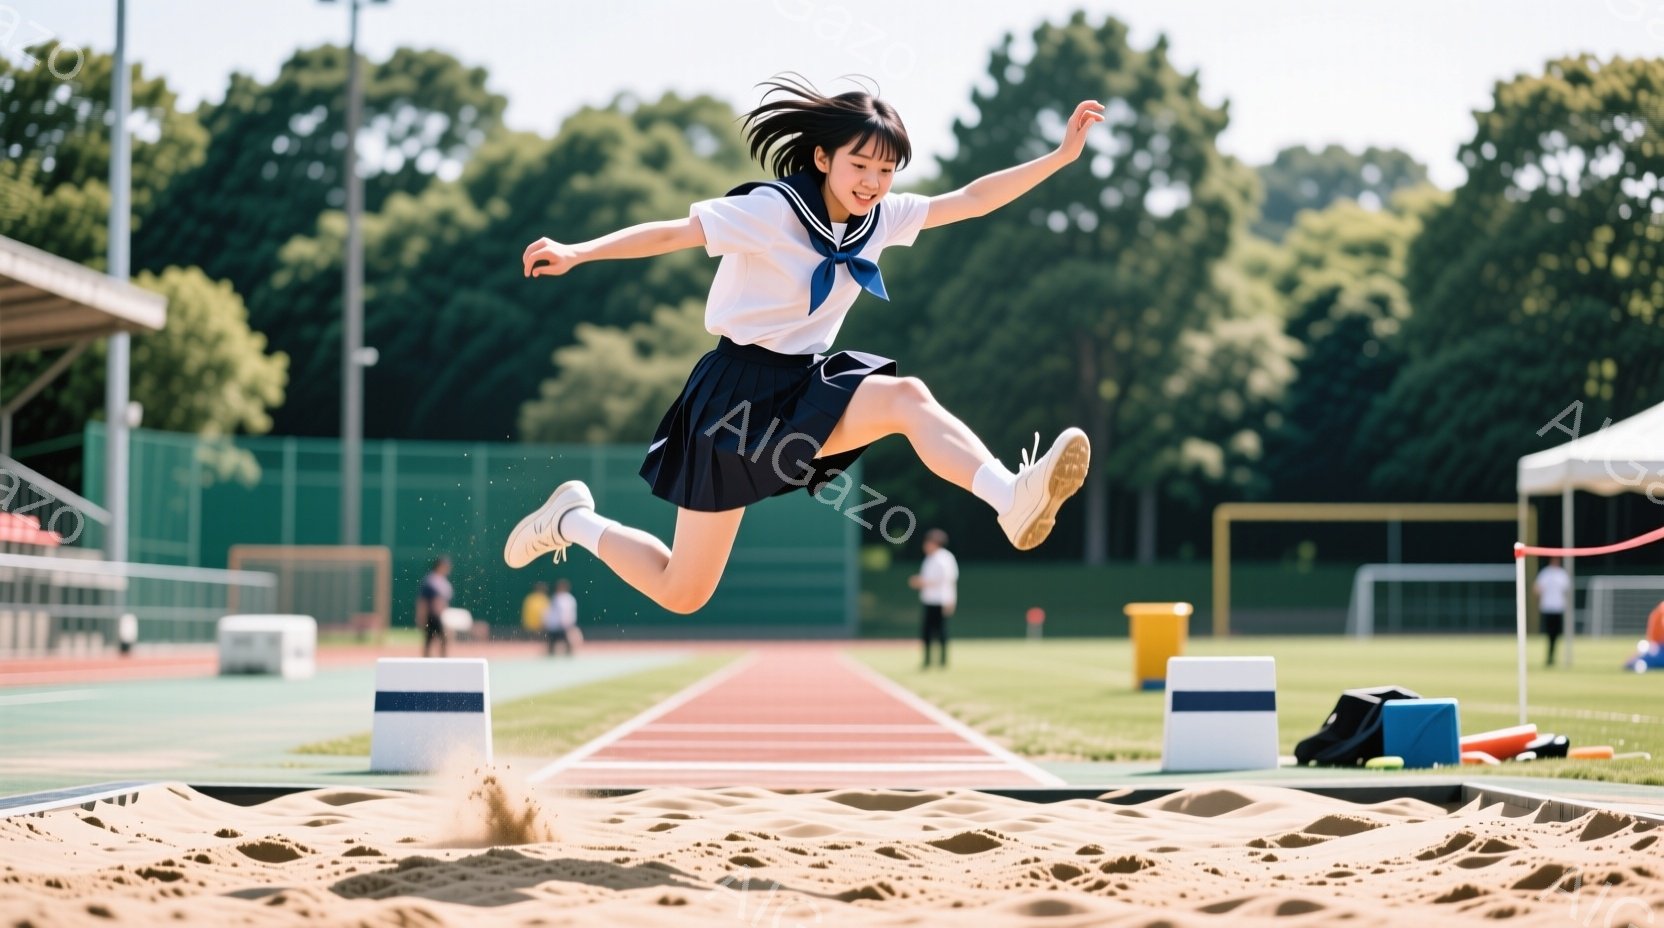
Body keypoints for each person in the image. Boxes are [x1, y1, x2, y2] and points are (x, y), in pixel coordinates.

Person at [505, 76, 1100, 615]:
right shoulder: (771, 209)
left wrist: (1060, 156)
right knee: (682, 592)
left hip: (805, 383)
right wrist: (580, 251)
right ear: (822, 158)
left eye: (886, 170)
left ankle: (1009, 497)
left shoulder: (882, 217)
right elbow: (673, 234)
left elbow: (970, 200)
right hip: (733, 400)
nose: (873, 182)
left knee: (907, 398)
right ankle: (574, 521)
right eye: (859, 165)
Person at [908, 528, 958, 668]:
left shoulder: (945, 558)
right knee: (927, 632)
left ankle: (943, 660)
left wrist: (951, 600)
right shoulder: (929, 559)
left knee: (941, 631)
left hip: (940, 600)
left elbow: (947, 580)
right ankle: (927, 660)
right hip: (929, 600)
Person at [1534, 555, 1570, 667]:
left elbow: (1566, 590)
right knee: (1549, 634)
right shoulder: (1545, 573)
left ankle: (1552, 656)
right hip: (1548, 608)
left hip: (1558, 608)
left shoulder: (1561, 574)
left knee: (1556, 634)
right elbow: (1537, 588)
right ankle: (1550, 657)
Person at [419, 555, 453, 658]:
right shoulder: (430, 581)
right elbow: (423, 601)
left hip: (440, 616)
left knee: (439, 638)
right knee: (432, 639)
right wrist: (422, 616)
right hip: (432, 616)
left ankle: (440, 659)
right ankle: (431, 660)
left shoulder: (443, 581)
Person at [542, 578, 579, 657]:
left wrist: (567, 623)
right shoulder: (556, 597)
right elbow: (550, 611)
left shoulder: (566, 598)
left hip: (562, 625)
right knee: (552, 646)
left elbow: (567, 612)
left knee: (567, 646)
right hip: (555, 626)